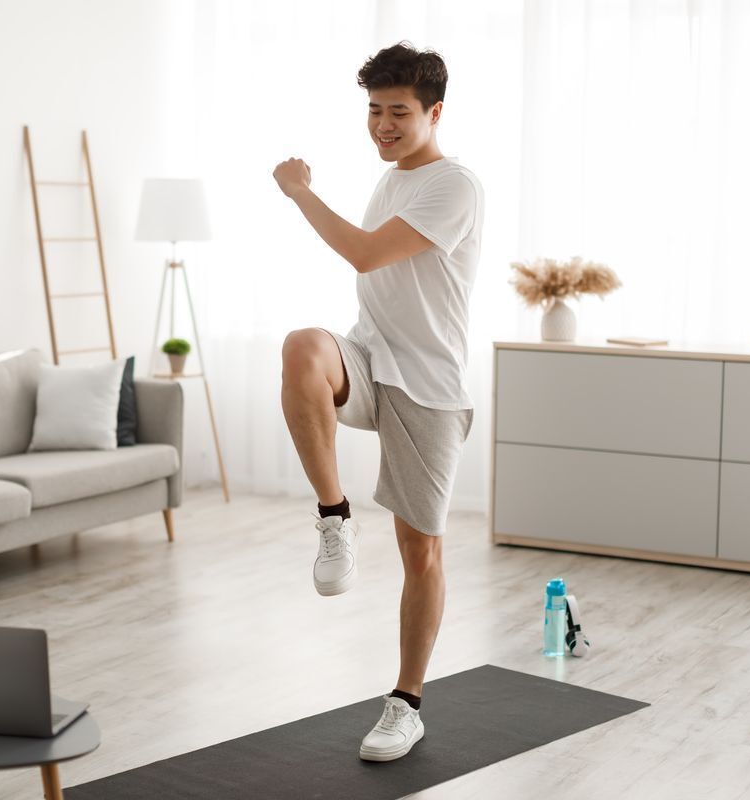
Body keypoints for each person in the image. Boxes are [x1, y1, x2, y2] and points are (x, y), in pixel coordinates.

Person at [274, 41, 483, 761]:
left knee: (419, 549)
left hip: (428, 384)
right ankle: (334, 517)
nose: (383, 125)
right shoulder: (390, 178)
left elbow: (365, 255)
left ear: (435, 113)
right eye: (374, 110)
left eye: (398, 111)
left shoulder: (452, 185)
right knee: (303, 344)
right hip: (369, 357)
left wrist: (301, 191)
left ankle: (407, 702)